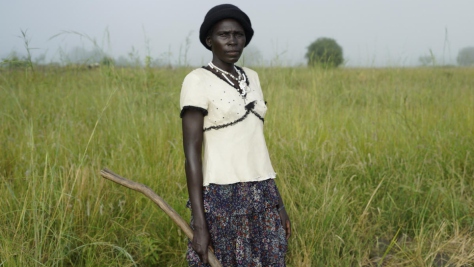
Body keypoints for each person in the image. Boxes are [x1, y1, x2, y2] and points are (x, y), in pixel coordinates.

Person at [180, 4, 291, 266]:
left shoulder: (252, 77)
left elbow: (256, 145)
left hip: (262, 194)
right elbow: (192, 156)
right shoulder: (197, 80)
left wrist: (278, 203)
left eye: (238, 35)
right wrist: (199, 221)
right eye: (224, 35)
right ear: (209, 41)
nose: (232, 41)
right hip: (222, 197)